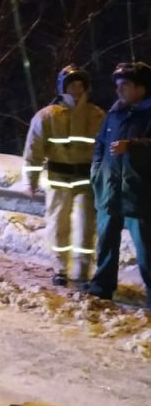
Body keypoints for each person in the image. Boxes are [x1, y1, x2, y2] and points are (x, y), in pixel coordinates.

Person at [22, 65, 105, 286]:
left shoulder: (96, 115)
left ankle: (82, 271)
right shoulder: (47, 116)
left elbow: (105, 150)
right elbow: (34, 149)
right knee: (58, 225)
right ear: (63, 87)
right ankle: (60, 269)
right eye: (72, 85)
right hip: (59, 179)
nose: (77, 90)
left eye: (80, 85)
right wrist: (30, 179)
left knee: (86, 226)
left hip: (86, 181)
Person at [86, 61, 151, 307]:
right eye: (117, 85)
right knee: (106, 243)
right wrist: (96, 170)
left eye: (124, 85)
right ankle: (101, 289)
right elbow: (100, 143)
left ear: (141, 89)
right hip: (110, 190)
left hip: (140, 194)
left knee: (146, 249)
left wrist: (132, 146)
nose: (118, 90)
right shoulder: (114, 114)